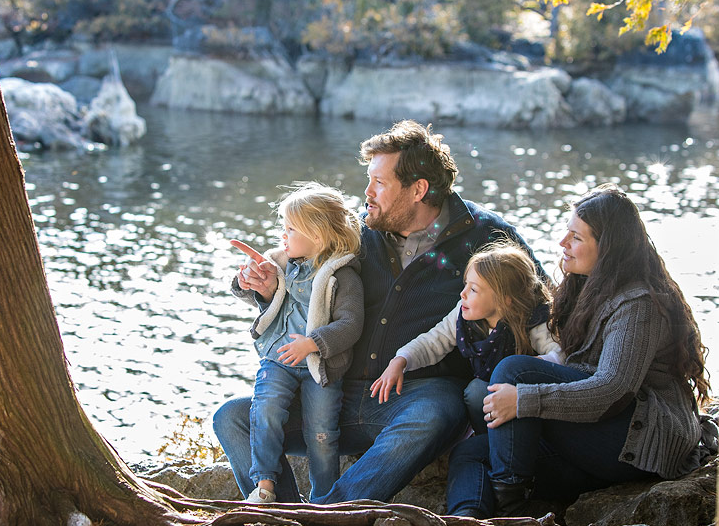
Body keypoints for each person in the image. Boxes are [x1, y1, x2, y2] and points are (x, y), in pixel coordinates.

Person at [216, 120, 546, 504]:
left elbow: (540, 302)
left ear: (418, 189)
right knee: (232, 419)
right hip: (331, 390)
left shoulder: (486, 236)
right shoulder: (356, 231)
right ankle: (286, 514)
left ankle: (333, 513)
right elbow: (296, 273)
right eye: (368, 180)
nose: (367, 193)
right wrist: (263, 286)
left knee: (436, 413)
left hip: (416, 396)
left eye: (380, 183)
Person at [446, 183, 714, 518]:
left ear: (609, 248)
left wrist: (525, 400)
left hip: (638, 443)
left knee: (516, 372)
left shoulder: (639, 304)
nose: (563, 244)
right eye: (566, 233)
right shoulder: (586, 288)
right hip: (594, 442)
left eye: (576, 237)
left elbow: (612, 390)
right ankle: (466, 525)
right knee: (470, 452)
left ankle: (512, 505)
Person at [230, 183, 364, 503]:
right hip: (279, 358)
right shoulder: (285, 264)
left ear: (317, 236)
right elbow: (263, 286)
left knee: (321, 434)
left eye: (291, 229)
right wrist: (254, 282)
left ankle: (324, 500)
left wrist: (314, 343)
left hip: (320, 367)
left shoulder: (343, 277)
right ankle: (264, 486)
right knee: (265, 409)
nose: (283, 236)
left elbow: (351, 324)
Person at [370, 240, 560, 436]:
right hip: (488, 395)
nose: (463, 294)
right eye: (465, 285)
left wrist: (532, 364)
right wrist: (401, 360)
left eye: (474, 289)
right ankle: (485, 438)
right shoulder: (463, 315)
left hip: (524, 398)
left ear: (505, 300)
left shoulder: (531, 320)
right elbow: (434, 340)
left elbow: (560, 356)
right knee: (476, 391)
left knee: (480, 390)